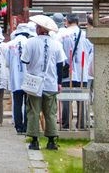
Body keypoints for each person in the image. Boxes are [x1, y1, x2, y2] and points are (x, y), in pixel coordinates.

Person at [22, 14, 67, 151]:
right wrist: (59, 82)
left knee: (34, 111)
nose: (35, 28)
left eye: (37, 26)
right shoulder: (56, 44)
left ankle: (34, 140)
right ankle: (52, 140)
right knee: (50, 112)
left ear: (40, 29)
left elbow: (25, 60)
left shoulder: (30, 42)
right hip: (51, 82)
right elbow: (60, 65)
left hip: (34, 82)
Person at [59, 13, 93, 130]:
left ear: (66, 21)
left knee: (67, 99)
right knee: (81, 99)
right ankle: (82, 124)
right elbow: (90, 51)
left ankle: (66, 124)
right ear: (77, 22)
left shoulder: (62, 34)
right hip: (82, 71)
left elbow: (59, 54)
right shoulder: (86, 35)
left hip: (67, 71)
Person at [7, 23, 33, 134]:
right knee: (28, 103)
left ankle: (18, 126)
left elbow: (7, 63)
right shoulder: (30, 43)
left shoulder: (9, 44)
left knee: (17, 103)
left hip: (15, 77)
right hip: (28, 77)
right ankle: (26, 126)